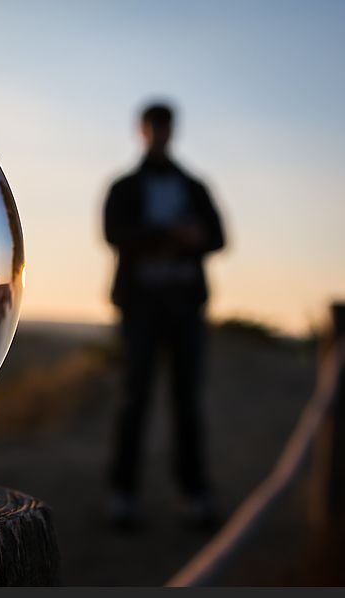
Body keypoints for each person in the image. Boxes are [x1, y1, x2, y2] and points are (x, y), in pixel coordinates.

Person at [103, 102, 226, 530]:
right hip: (140, 308)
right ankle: (123, 495)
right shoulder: (124, 186)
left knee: (187, 400)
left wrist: (189, 239)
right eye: (153, 128)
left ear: (172, 131)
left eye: (165, 128)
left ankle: (194, 493)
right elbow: (112, 233)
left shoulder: (194, 186)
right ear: (143, 131)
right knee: (134, 398)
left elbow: (219, 237)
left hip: (185, 307)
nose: (159, 134)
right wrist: (170, 235)